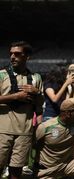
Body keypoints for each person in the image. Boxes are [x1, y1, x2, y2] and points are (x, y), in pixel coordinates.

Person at [0, 41, 44, 179]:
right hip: (2, 130)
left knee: (16, 171)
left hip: (25, 131)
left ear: (27, 57)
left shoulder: (36, 78)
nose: (13, 56)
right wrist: (15, 96)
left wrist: (37, 94)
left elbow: (40, 104)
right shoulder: (1, 75)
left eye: (17, 54)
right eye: (11, 54)